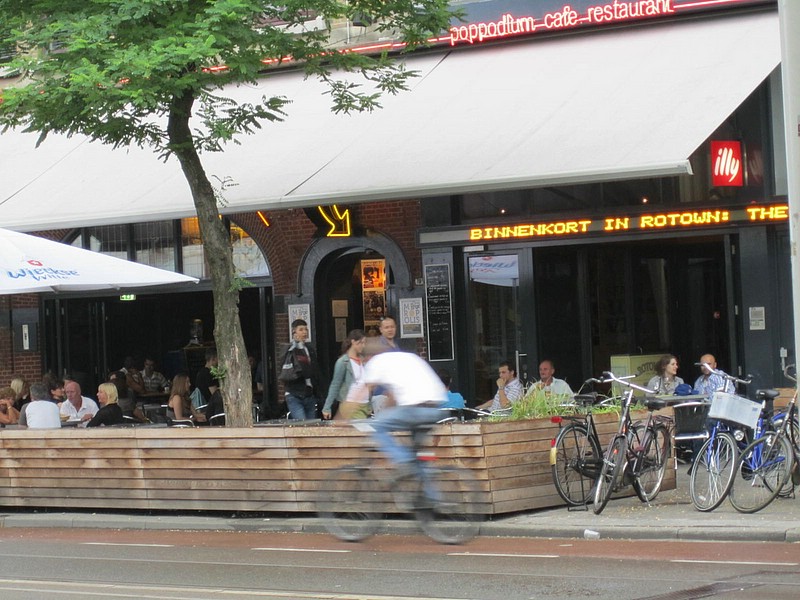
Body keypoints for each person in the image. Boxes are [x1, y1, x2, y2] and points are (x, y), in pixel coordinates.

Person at [354, 340, 446, 471]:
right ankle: (428, 486)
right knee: (418, 457)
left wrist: (343, 415)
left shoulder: (377, 361)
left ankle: (402, 458)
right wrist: (386, 411)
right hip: (435, 409)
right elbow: (393, 396)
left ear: (368, 356)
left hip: (414, 410)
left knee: (377, 426)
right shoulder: (409, 357)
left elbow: (364, 392)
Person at [281, 319, 324, 420]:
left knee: (311, 427)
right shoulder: (289, 350)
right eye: (301, 329)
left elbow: (315, 371)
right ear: (294, 332)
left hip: (309, 395)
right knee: (302, 425)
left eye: (306, 329)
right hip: (294, 394)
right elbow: (304, 371)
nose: (304, 332)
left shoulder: (310, 349)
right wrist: (298, 346)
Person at [322, 329, 368, 420]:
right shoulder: (343, 362)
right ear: (353, 342)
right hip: (350, 403)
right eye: (361, 342)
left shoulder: (363, 361)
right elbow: (335, 384)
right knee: (360, 431)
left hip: (364, 403)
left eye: (364, 343)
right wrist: (327, 407)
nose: (363, 346)